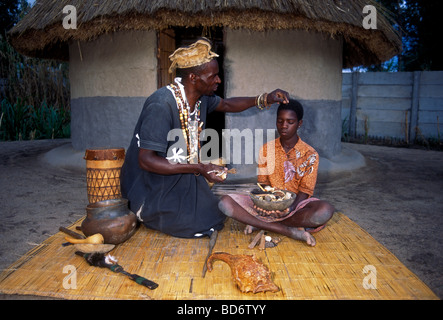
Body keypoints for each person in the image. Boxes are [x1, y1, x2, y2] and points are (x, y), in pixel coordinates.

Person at [121, 38, 289, 238]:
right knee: (194, 224)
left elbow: (227, 105)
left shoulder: (200, 100)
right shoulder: (161, 105)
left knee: (212, 216)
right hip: (150, 183)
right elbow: (146, 160)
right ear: (193, 78)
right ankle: (148, 213)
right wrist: (199, 168)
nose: (218, 80)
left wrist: (265, 99)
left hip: (178, 174)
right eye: (213, 76)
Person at [218, 99, 334, 246]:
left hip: (296, 206)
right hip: (269, 202)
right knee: (225, 203)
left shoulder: (310, 154)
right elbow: (263, 184)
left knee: (324, 210)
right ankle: (289, 231)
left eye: (290, 122)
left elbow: (305, 190)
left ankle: (260, 223)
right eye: (280, 121)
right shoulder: (266, 149)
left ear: (299, 124)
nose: (284, 126)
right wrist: (266, 204)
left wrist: (288, 208)